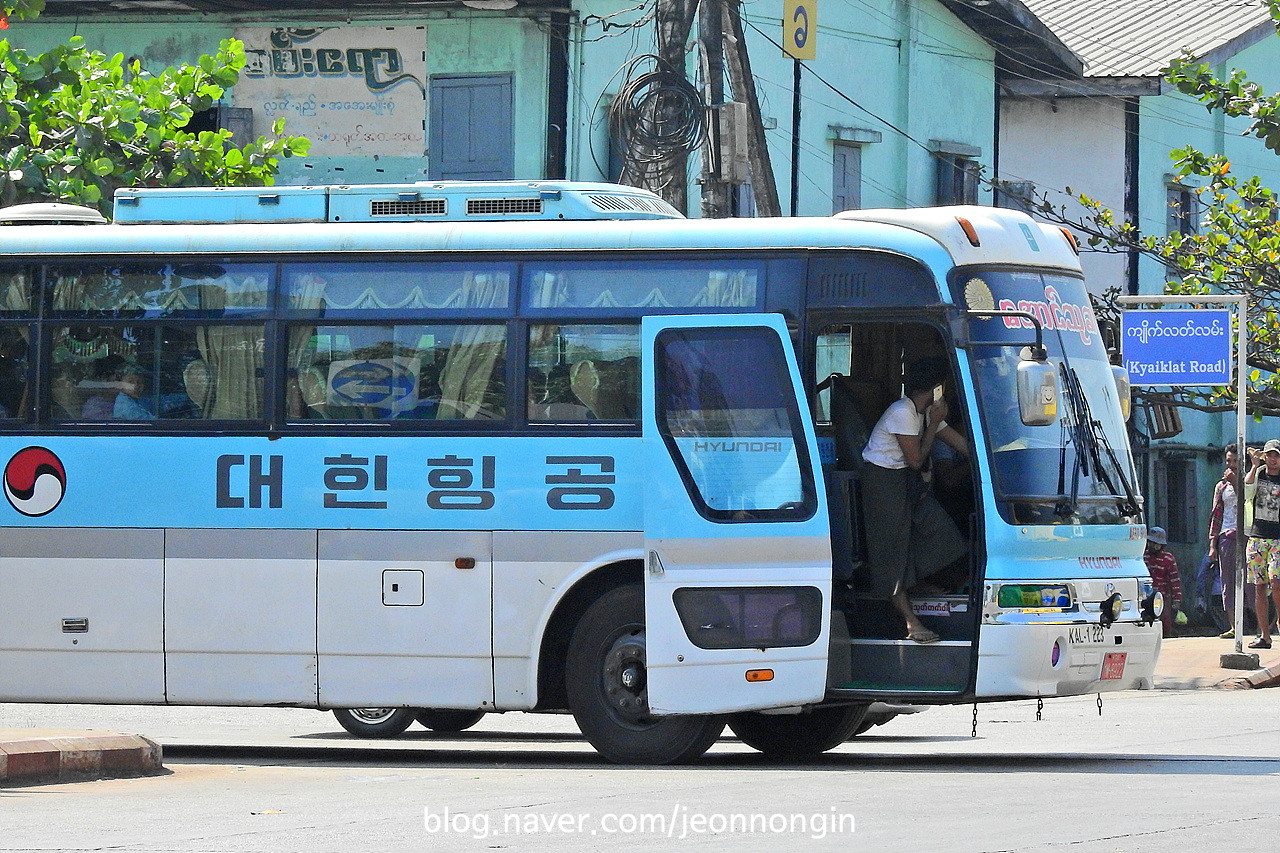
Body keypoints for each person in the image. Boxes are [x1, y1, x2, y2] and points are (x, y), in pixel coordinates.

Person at [860, 357, 970, 644]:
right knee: (891, 548)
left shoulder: (925, 413)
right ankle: (911, 623)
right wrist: (933, 423)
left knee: (938, 531)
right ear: (937, 388)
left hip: (903, 482)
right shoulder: (903, 412)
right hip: (882, 481)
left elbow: (959, 444)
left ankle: (918, 582)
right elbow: (916, 460)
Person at [1207, 446, 1251, 638]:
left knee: (1251, 581)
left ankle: (1258, 626)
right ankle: (1234, 626)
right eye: (1228, 461)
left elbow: (1249, 503)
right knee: (1228, 581)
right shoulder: (1221, 486)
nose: (1231, 465)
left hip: (1248, 535)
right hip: (1226, 535)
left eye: (1235, 461)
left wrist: (1237, 484)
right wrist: (1212, 544)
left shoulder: (1250, 481)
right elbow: (1216, 515)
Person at [1243, 439, 1280, 649]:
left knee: (1276, 583)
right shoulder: (1258, 474)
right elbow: (1247, 492)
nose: (1273, 459)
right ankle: (1264, 635)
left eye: (1276, 455)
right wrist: (1254, 465)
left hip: (1278, 538)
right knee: (1259, 586)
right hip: (1257, 536)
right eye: (1269, 455)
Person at [1144, 526, 1181, 637]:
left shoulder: (1168, 559)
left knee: (1165, 623)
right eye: (1150, 542)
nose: (1152, 546)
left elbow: (1175, 581)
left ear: (1161, 545)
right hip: (1145, 597)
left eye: (1156, 543)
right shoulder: (1143, 557)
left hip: (1163, 598)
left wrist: (1177, 600)